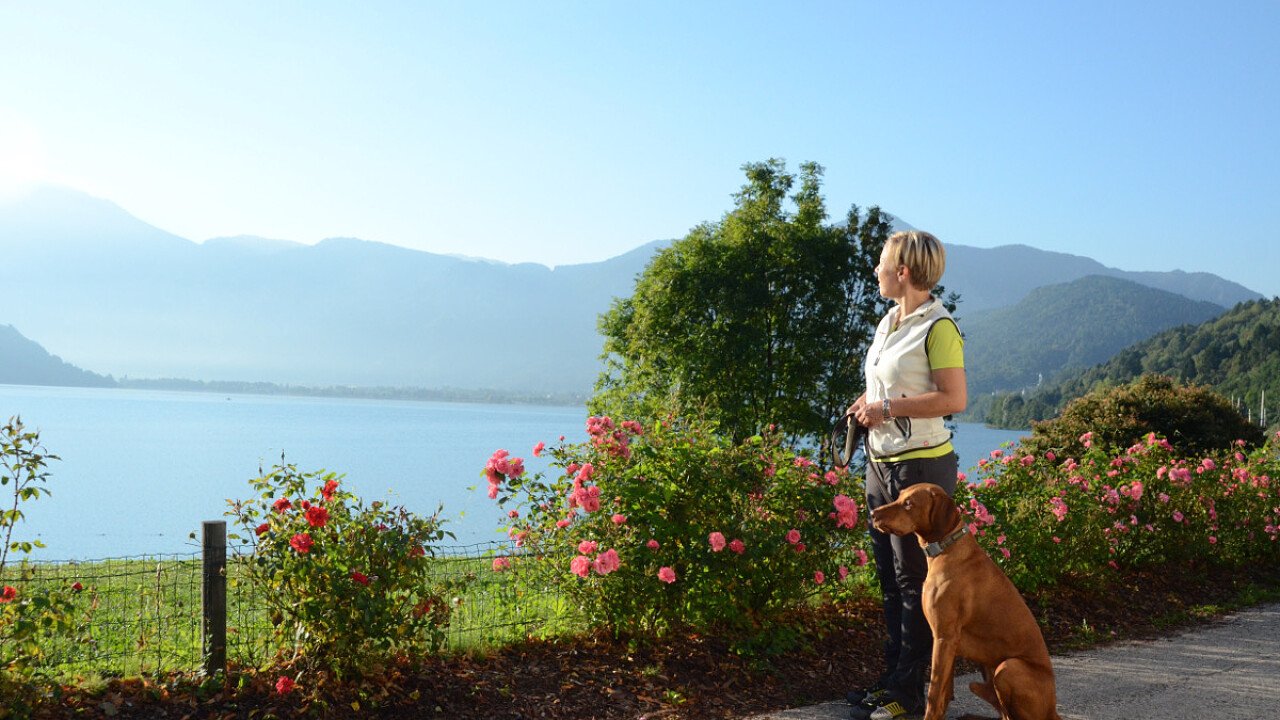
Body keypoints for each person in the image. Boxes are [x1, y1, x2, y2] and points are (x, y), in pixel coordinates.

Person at [846, 230, 967, 720]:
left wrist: (888, 406)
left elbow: (954, 399)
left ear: (903, 272)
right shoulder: (888, 322)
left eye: (881, 263)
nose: (874, 270)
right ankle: (893, 678)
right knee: (891, 580)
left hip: (921, 468)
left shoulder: (939, 328)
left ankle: (910, 694)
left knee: (914, 580)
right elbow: (884, 386)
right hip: (882, 463)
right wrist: (867, 404)